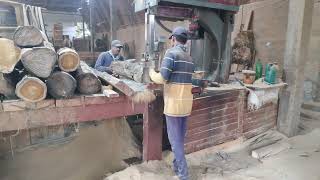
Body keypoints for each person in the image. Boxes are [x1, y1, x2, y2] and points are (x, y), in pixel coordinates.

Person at [149, 27, 194, 180]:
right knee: (180, 139)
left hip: (174, 104)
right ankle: (177, 167)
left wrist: (150, 72)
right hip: (186, 104)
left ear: (173, 39)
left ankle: (183, 175)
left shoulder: (171, 53)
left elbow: (162, 78)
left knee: (175, 142)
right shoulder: (189, 57)